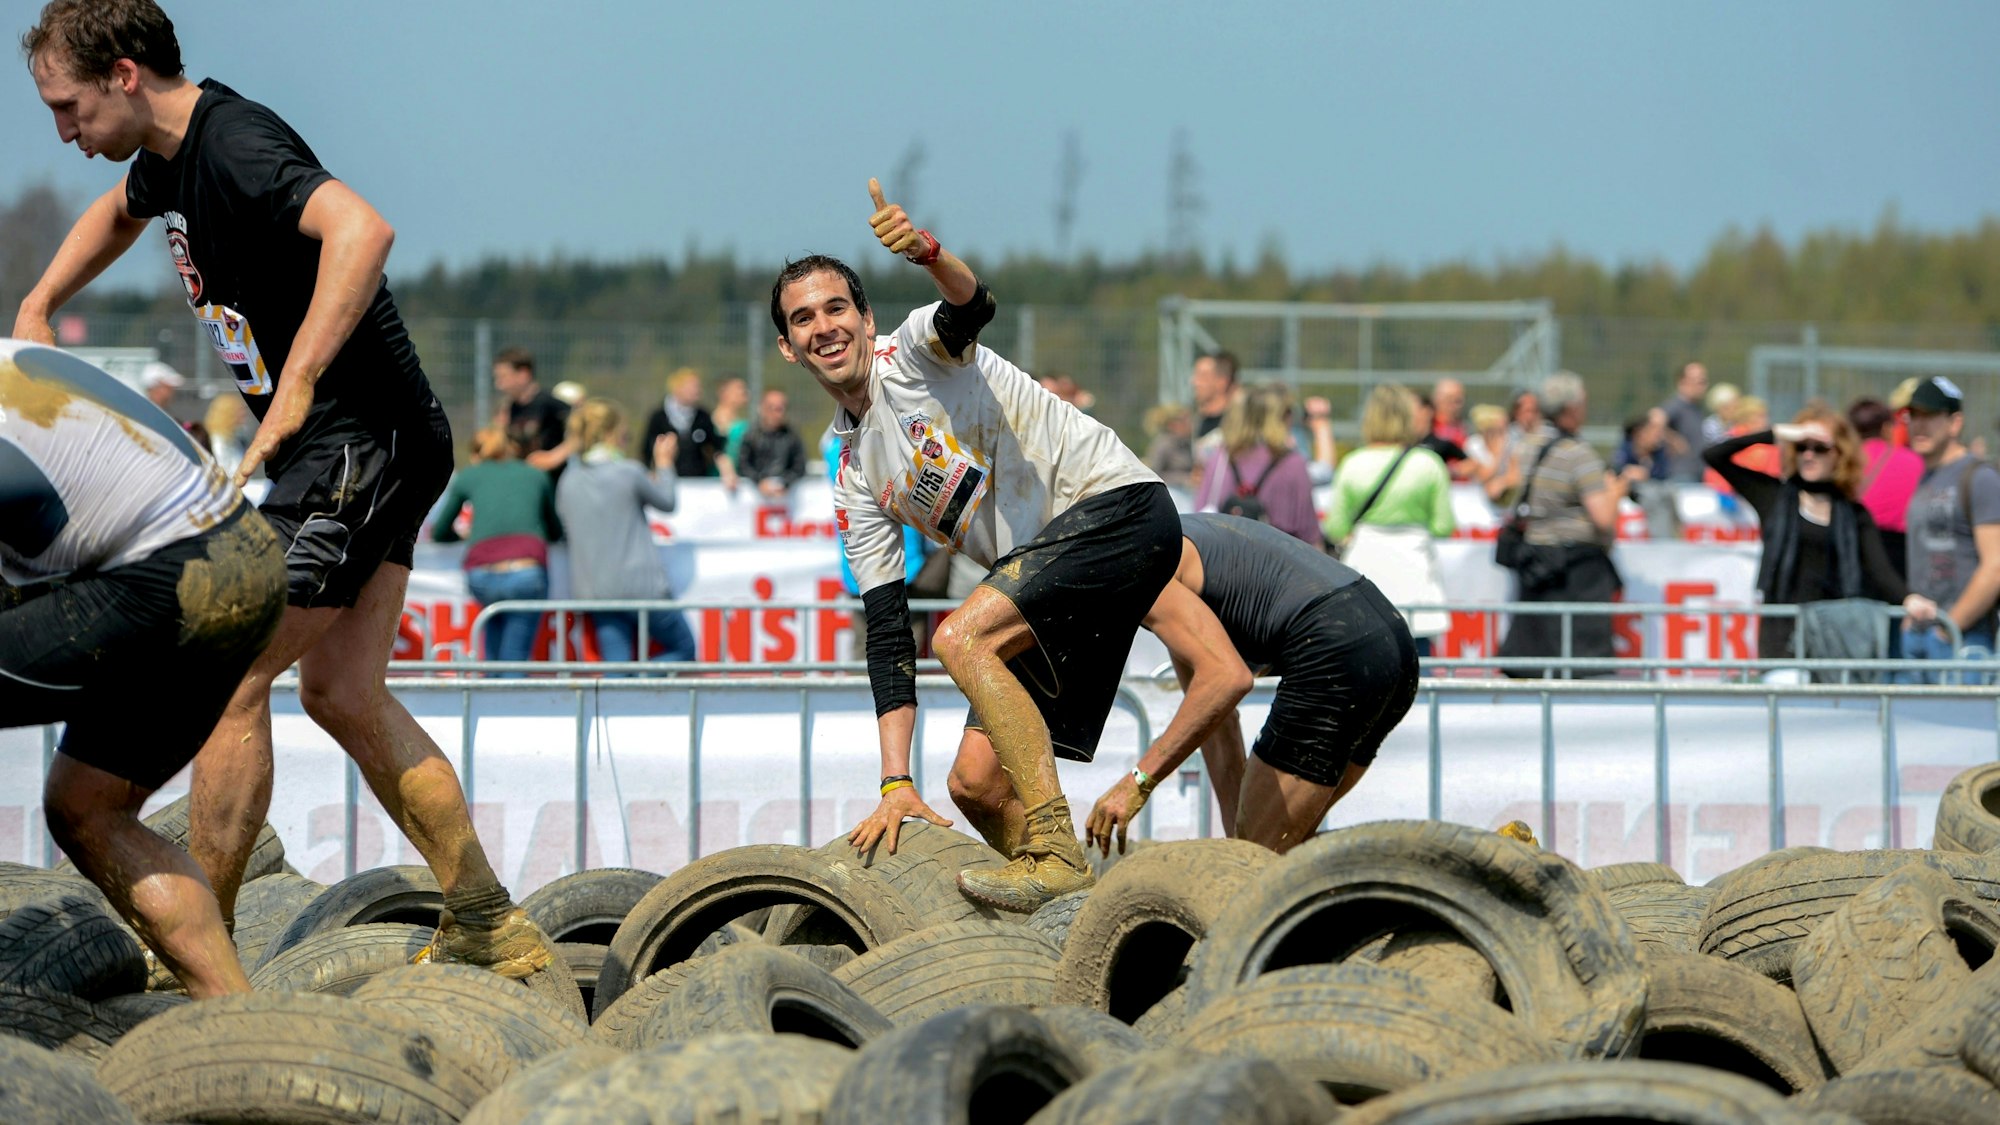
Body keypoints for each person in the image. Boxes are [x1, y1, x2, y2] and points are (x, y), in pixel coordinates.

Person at [13, 1, 553, 978]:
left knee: (228, 674)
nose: (62, 131)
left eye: (68, 106)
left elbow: (360, 228)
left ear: (125, 75)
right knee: (343, 693)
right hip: (369, 443)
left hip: (354, 441)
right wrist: (45, 301)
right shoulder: (167, 159)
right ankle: (484, 915)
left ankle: (202, 948)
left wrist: (295, 385)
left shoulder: (234, 144)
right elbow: (117, 212)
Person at [786, 178, 1178, 912]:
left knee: (962, 638)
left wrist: (929, 252)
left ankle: (1057, 853)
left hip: (1117, 510)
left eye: (837, 307)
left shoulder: (913, 352)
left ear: (866, 319)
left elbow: (972, 305)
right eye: (803, 318)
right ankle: (1091, 911)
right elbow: (884, 629)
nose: (824, 326)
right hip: (1046, 572)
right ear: (787, 347)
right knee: (973, 783)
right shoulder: (848, 468)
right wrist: (895, 782)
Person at [0, 340, 285, 997]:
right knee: (88, 806)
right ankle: (245, 1024)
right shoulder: (18, 369)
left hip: (168, 574)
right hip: (246, 561)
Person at [1085, 513, 1417, 855]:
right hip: (1390, 638)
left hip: (1335, 643)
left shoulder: (1135, 566)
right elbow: (1218, 726)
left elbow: (1229, 678)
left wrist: (1138, 781)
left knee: (1260, 861)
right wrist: (1239, 842)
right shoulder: (1165, 539)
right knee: (1275, 852)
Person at [1702, 405, 1931, 662]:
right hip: (1782, 640)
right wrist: (1778, 433)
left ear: (1839, 454)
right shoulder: (1773, 497)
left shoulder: (1854, 514)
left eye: (1820, 448)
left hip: (1833, 641)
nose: (1809, 455)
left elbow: (1881, 571)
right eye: (1802, 447)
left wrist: (1909, 599)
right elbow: (1713, 455)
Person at [1496, 372, 1632, 675]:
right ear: (1571, 408)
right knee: (1581, 660)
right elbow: (1603, 518)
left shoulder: (1526, 447)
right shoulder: (1578, 455)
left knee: (1533, 656)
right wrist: (1615, 491)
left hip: (1535, 558)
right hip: (1577, 569)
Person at [555, 398, 697, 666]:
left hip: (597, 591)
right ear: (610, 434)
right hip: (642, 588)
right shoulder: (628, 472)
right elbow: (667, 502)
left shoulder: (569, 481)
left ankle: (624, 689)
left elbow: (563, 528)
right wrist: (664, 463)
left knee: (616, 666)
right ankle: (640, 680)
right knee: (684, 649)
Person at [1322, 384, 1454, 653]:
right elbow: (1444, 526)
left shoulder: (1353, 463)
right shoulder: (1428, 463)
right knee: (1418, 658)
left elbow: (1335, 528)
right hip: (1415, 567)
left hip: (1365, 564)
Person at [431, 428, 563, 671]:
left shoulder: (469, 476)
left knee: (492, 658)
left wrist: (463, 535)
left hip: (482, 576)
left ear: (477, 454)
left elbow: (440, 531)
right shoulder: (535, 475)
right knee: (514, 661)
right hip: (527, 573)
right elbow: (555, 529)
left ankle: (488, 699)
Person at [1901, 376, 2000, 678]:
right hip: (1919, 633)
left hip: (1963, 640)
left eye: (1930, 416)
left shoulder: (1979, 477)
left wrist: (1949, 627)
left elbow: (1995, 564)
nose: (1919, 425)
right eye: (1913, 416)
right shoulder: (1926, 477)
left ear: (1955, 423)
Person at [1194, 383, 1321, 548]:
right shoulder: (1293, 463)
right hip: (1278, 563)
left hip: (1226, 561)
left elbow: (1198, 515)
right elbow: (1309, 532)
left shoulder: (1220, 458)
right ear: (1279, 417)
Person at [1848, 397, 1923, 579]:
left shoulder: (1845, 460)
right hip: (1901, 553)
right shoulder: (1914, 461)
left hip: (1853, 547)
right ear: (1885, 428)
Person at [489, 346, 573, 472]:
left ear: (523, 374)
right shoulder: (509, 409)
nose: (498, 385)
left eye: (503, 377)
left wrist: (554, 457)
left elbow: (583, 432)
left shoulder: (550, 403)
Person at [640, 367, 725, 480]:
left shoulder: (703, 417)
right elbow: (646, 450)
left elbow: (715, 448)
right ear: (677, 388)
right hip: (666, 479)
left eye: (698, 387)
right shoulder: (659, 417)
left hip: (697, 481)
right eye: (692, 386)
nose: (697, 390)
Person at [735, 388, 807, 498]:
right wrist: (759, 481)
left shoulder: (792, 436)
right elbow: (743, 464)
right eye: (772, 408)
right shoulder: (750, 435)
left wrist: (784, 483)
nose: (778, 413)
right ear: (762, 408)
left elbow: (799, 466)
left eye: (781, 408)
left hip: (785, 500)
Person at [1662, 361, 1709, 481]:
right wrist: (1673, 439)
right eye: (1698, 381)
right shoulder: (1676, 406)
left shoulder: (1695, 408)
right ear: (1682, 382)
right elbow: (1654, 420)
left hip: (1697, 472)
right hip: (1681, 474)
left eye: (1704, 381)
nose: (1702, 386)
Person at [202, 390, 254, 481]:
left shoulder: (236, 439)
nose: (244, 415)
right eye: (240, 411)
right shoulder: (217, 442)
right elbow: (225, 472)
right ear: (228, 413)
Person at [1142, 402, 1196, 487]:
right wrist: (1184, 479)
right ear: (1172, 424)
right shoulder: (1163, 444)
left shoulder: (1186, 443)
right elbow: (1154, 473)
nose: (1190, 424)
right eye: (1185, 421)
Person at [1614, 408, 1674, 481]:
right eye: (1651, 431)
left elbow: (1663, 475)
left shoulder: (1660, 452)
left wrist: (1647, 473)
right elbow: (1616, 469)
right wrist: (1627, 472)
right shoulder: (1625, 449)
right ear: (1639, 433)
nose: (1657, 436)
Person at [1191, 351, 1239, 441]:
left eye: (1202, 376)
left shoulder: (1238, 427)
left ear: (1222, 381)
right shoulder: (1195, 424)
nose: (1194, 382)